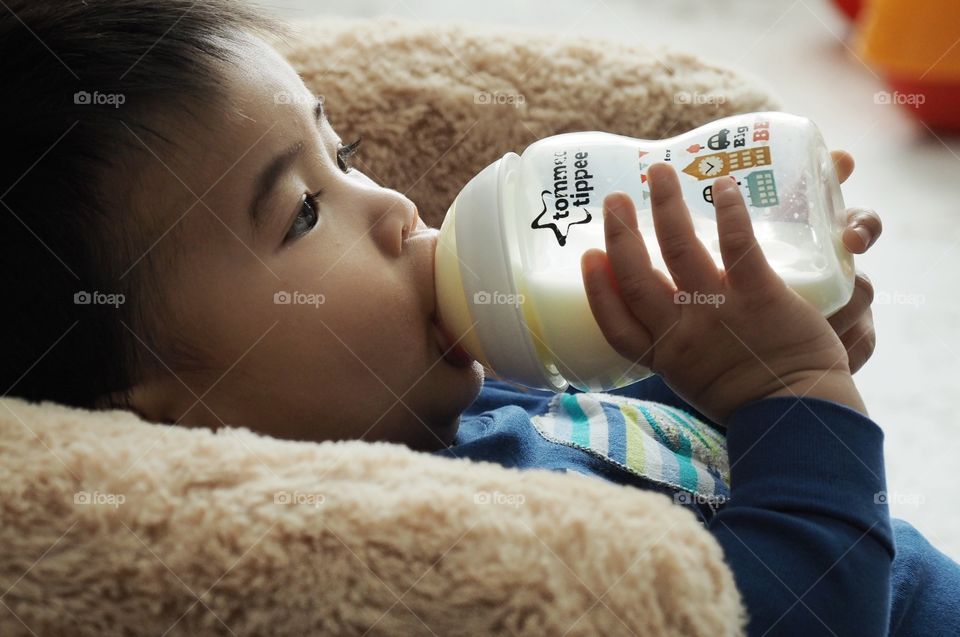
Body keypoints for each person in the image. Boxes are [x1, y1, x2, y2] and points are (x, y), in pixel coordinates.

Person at [2, 1, 957, 634]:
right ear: (155, 416)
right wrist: (795, 396)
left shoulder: (459, 387)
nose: (392, 207)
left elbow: (652, 447)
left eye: (349, 153)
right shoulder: (442, 558)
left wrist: (739, 347)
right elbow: (798, 609)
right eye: (300, 212)